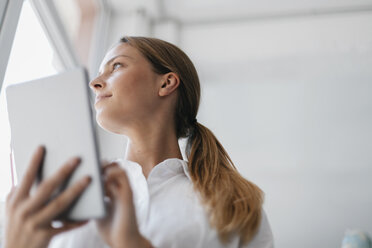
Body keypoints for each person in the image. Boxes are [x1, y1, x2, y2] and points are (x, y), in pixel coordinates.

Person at [4, 36, 274, 248]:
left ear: (166, 83)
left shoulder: (235, 202)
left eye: (116, 66)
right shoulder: (65, 189)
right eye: (100, 72)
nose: (95, 82)